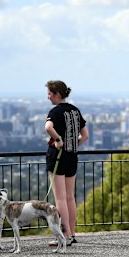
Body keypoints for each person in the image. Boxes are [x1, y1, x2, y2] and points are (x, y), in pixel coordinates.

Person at [45, 80, 89, 246]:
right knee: (70, 198)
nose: (48, 97)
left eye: (49, 93)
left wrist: (58, 139)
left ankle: (63, 235)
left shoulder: (55, 111)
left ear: (57, 94)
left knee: (60, 199)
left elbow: (48, 127)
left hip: (57, 156)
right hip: (72, 156)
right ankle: (72, 233)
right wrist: (72, 144)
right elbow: (85, 135)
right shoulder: (75, 111)